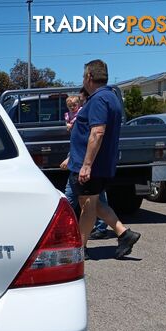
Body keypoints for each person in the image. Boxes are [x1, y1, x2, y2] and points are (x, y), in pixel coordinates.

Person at [67, 59, 140, 260]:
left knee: (88, 206)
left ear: (89, 77)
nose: (83, 80)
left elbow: (98, 132)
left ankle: (80, 251)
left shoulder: (99, 100)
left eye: (84, 76)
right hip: (95, 164)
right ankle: (124, 234)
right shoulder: (110, 97)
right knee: (95, 203)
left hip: (92, 166)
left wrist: (86, 165)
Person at [61, 87, 109, 240]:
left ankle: (84, 242)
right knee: (91, 200)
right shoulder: (83, 114)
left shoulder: (88, 113)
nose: (77, 106)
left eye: (80, 101)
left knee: (85, 200)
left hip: (83, 163)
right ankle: (121, 232)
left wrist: (84, 164)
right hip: (80, 161)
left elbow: (93, 137)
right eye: (73, 105)